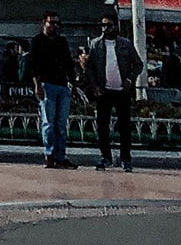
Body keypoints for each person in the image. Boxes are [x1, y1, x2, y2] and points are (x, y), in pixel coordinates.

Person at [81, 12, 142, 171]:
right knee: (102, 125)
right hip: (104, 91)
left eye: (108, 25)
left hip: (122, 91)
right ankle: (105, 157)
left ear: (115, 26)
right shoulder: (95, 45)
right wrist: (94, 85)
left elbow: (138, 64)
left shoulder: (125, 44)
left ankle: (125, 158)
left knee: (124, 126)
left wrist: (130, 79)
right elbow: (90, 68)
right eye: (103, 25)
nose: (105, 29)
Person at [25, 13, 77, 168]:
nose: (54, 26)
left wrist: (73, 84)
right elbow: (33, 64)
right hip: (46, 85)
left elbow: (68, 63)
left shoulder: (62, 42)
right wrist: (37, 85)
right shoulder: (38, 41)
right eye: (51, 23)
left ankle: (61, 156)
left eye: (57, 23)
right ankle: (49, 155)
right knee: (48, 122)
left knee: (61, 123)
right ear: (44, 23)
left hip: (62, 85)